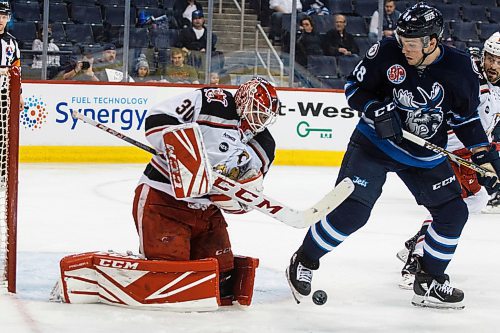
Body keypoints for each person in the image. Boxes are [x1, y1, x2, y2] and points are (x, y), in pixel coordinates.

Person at [285, 2, 500, 310]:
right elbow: (354, 89)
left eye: (411, 44)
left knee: (454, 213)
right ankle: (304, 260)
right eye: (402, 41)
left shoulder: (459, 67)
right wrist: (376, 110)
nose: (405, 48)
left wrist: (482, 155)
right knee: (353, 213)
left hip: (424, 154)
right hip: (374, 145)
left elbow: (464, 118)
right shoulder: (386, 52)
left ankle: (429, 281)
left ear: (432, 42)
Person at [132, 76, 279, 303]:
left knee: (224, 282)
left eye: (264, 116)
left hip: (207, 212)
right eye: (256, 111)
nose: (258, 120)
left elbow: (246, 196)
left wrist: (235, 201)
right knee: (171, 279)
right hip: (163, 200)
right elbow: (157, 119)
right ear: (243, 99)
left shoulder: (264, 146)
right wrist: (181, 153)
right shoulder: (212, 101)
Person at [397, 31, 500, 289]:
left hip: (468, 151)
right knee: (457, 208)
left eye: (499, 61)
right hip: (452, 151)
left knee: (470, 202)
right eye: (490, 58)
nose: (493, 65)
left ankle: (420, 242)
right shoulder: (473, 80)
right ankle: (419, 257)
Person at [0, 1, 23, 111]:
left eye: (4, 17)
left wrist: (19, 94)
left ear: (8, 19)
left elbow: (16, 70)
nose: (1, 20)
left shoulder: (12, 42)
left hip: (4, 92)